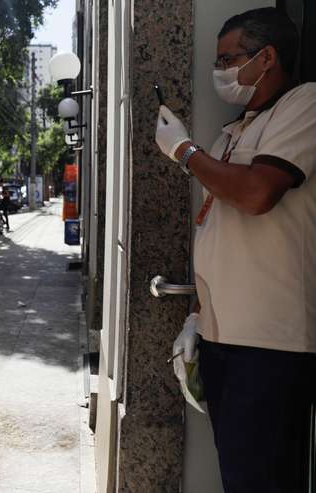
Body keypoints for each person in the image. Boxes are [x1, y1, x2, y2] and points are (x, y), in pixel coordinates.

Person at [155, 8, 316, 492]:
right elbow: (221, 229)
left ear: (267, 58)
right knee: (241, 479)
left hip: (270, 347)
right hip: (225, 340)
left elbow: (256, 194)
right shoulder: (235, 132)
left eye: (230, 58)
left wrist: (184, 152)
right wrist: (198, 319)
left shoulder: (303, 105)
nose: (220, 70)